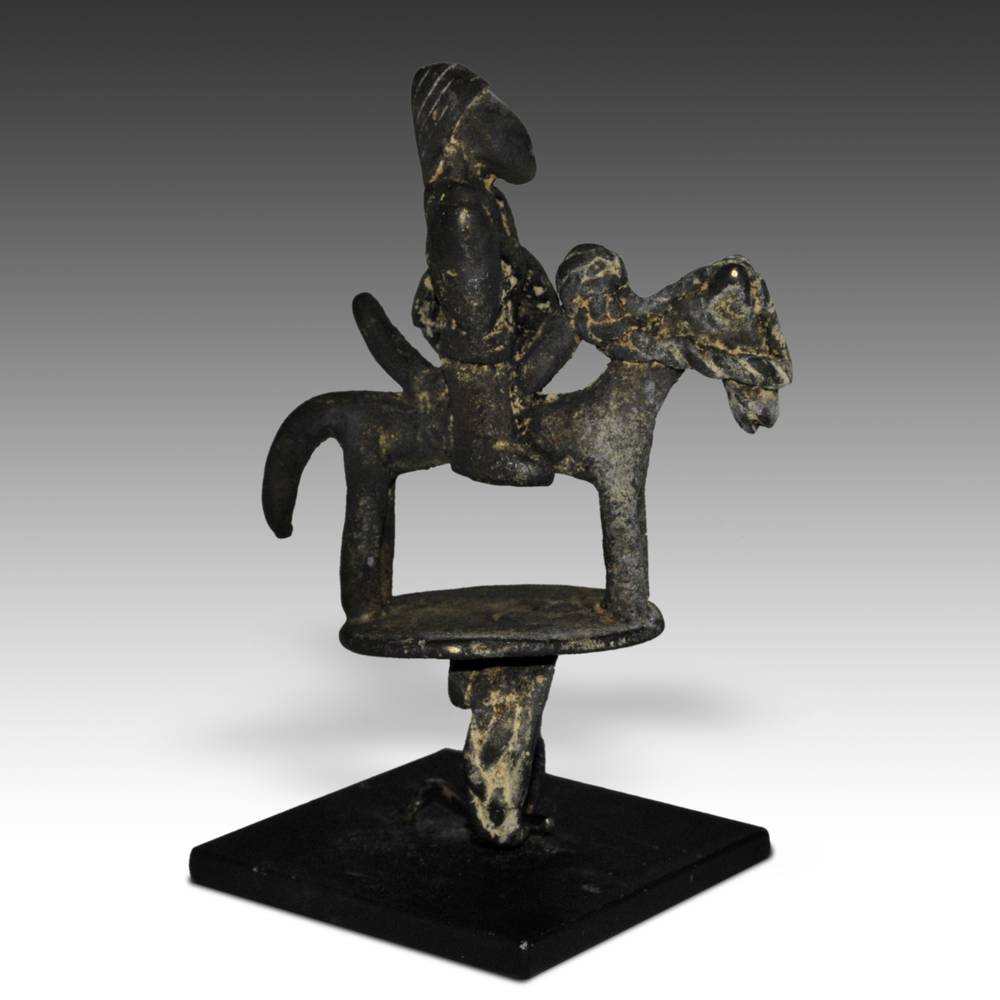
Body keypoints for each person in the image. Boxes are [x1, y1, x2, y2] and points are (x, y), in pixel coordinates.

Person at [409, 63, 570, 486]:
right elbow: (477, 325)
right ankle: (482, 440)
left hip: (511, 341)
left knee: (576, 317)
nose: (511, 125)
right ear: (460, 134)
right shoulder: (462, 208)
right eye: (490, 112)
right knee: (578, 317)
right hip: (488, 367)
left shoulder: (485, 198)